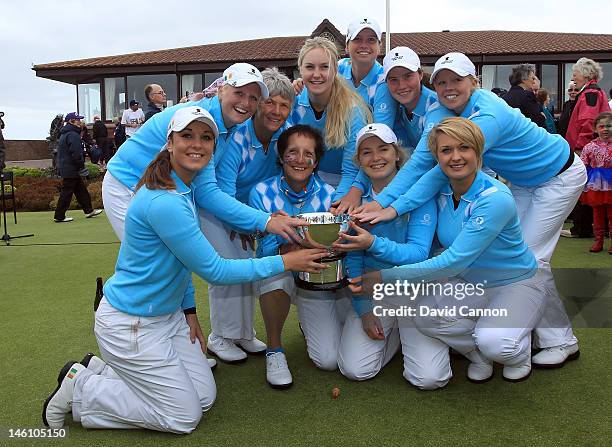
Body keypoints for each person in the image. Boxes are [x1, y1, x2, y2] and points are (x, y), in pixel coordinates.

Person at [42, 106, 328, 433]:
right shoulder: (165, 201)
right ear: (169, 143)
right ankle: (83, 389)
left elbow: (180, 262)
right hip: (132, 324)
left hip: (167, 319)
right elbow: (216, 271)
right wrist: (287, 262)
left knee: (204, 398)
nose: (198, 144)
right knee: (184, 416)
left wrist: (189, 310)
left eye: (206, 137)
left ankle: (102, 371)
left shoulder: (181, 187)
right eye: (188, 136)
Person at [354, 52, 587, 368]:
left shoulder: (488, 115)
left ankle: (561, 341)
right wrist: (381, 203)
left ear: (473, 82)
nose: (449, 88)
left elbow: (439, 171)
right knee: (511, 257)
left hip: (558, 175)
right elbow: (422, 161)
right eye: (442, 82)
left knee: (532, 260)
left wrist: (393, 209)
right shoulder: (443, 110)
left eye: (456, 80)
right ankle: (516, 324)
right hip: (522, 182)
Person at [359, 117, 547, 385]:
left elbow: (452, 263)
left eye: (464, 148)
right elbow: (416, 191)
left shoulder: (496, 198)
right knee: (426, 317)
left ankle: (517, 353)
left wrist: (383, 278)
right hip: (471, 282)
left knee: (496, 342)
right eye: (446, 150)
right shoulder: (443, 180)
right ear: (437, 156)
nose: (455, 157)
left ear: (478, 152)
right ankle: (478, 354)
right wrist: (388, 209)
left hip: (515, 282)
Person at [332, 123, 438, 387]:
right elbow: (351, 257)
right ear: (359, 161)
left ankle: (405, 331)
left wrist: (372, 243)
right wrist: (364, 310)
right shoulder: (354, 201)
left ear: (397, 154)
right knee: (355, 370)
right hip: (374, 292)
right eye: (366, 152)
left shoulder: (419, 193)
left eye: (383, 149)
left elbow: (418, 253)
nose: (376, 157)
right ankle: (394, 334)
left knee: (429, 378)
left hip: (415, 290)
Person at [205, 67, 295, 363]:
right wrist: (240, 223)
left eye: (284, 105)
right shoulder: (238, 137)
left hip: (249, 214)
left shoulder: (283, 134)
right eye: (270, 102)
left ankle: (242, 332)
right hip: (218, 208)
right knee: (229, 264)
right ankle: (219, 336)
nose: (277, 111)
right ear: (259, 105)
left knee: (245, 265)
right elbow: (225, 189)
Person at [249, 124, 344, 387]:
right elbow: (262, 248)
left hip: (316, 276)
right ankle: (275, 349)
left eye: (308, 154)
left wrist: (305, 246)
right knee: (273, 274)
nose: (300, 160)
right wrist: (289, 247)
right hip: (280, 273)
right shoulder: (260, 192)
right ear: (281, 157)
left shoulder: (330, 195)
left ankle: (306, 321)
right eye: (292, 152)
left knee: (328, 360)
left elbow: (334, 247)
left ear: (316, 162)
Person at [290, 37, 371, 217]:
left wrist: (334, 210)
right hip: (306, 181)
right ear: (300, 70)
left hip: (345, 182)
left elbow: (351, 170)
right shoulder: (292, 104)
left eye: (324, 67)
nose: (316, 74)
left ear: (335, 70)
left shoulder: (352, 110)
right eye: (310, 67)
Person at [53, 112, 103, 223]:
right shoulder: (72, 134)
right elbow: (76, 153)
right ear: (72, 121)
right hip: (71, 167)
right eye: (78, 120)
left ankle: (89, 210)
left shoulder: (67, 133)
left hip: (68, 167)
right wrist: (81, 167)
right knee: (67, 192)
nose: (80, 122)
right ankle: (59, 215)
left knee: (80, 190)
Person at [580, 112, 612, 253]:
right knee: (597, 213)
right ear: (595, 129)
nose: (605, 129)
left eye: (609, 126)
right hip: (596, 184)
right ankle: (598, 241)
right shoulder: (589, 147)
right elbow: (583, 164)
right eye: (601, 126)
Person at [566, 58, 611, 154]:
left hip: (584, 150)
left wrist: (580, 148)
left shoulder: (590, 93)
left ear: (585, 75)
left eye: (575, 75)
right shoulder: (595, 92)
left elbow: (588, 121)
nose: (573, 79)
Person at [501, 64, 546, 128]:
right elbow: (539, 120)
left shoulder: (504, 97)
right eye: (532, 78)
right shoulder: (527, 96)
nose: (534, 82)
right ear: (523, 79)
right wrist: (542, 116)